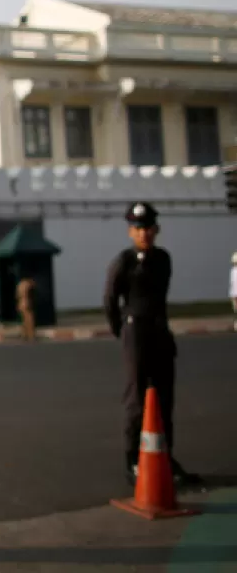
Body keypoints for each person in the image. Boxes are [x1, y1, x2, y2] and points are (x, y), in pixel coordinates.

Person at [103, 202, 200, 487]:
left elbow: (159, 298)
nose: (143, 233)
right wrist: (121, 331)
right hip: (135, 333)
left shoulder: (163, 259)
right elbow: (110, 300)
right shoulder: (123, 262)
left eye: (148, 228)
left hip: (159, 331)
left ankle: (165, 456)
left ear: (156, 230)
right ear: (130, 231)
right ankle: (133, 460)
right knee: (136, 400)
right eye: (138, 228)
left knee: (164, 398)